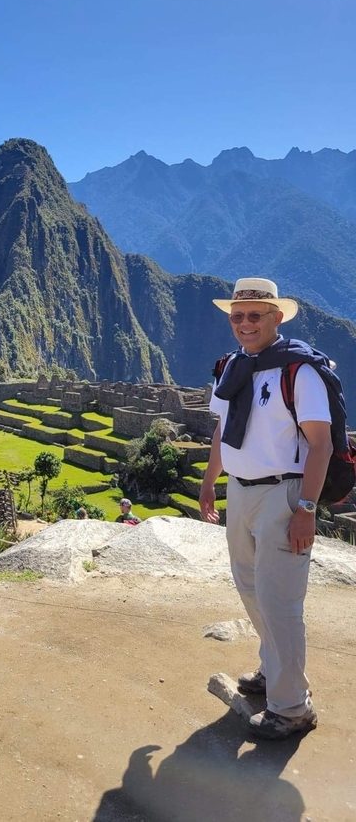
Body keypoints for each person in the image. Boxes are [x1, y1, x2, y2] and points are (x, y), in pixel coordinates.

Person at [199, 278, 333, 740]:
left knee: (280, 601)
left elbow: (322, 444)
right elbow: (223, 430)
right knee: (251, 588)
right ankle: (274, 672)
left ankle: (292, 707)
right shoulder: (232, 367)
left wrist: (307, 509)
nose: (245, 323)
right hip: (240, 490)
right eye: (238, 315)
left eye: (255, 315)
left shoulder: (299, 370)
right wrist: (210, 480)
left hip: (284, 493)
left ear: (277, 318)